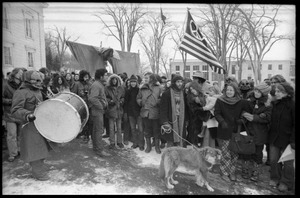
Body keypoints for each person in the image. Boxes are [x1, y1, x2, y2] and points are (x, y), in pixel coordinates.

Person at [11, 70, 57, 181]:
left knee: (42, 147)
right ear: (28, 80)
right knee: (35, 149)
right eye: (36, 80)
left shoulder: (38, 91)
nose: (39, 82)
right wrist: (27, 114)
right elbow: (15, 110)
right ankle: (38, 172)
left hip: (40, 124)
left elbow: (39, 104)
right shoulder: (21, 92)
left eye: (40, 80)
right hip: (29, 125)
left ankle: (39, 168)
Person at [214, 82, 251, 182]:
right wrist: (222, 122)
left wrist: (243, 119)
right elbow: (216, 113)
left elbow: (247, 112)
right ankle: (224, 172)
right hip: (224, 130)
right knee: (226, 153)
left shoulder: (241, 102)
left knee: (235, 153)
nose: (229, 92)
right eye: (227, 90)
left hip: (236, 131)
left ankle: (232, 172)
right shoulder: (220, 100)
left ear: (235, 91)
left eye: (231, 90)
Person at [240, 82, 272, 181]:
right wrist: (245, 114)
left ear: (264, 93)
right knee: (246, 151)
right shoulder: (249, 101)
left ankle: (256, 170)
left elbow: (268, 117)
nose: (256, 93)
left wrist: (254, 118)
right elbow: (242, 110)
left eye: (259, 91)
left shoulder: (268, 104)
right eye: (256, 90)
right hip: (248, 131)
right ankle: (245, 169)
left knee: (258, 153)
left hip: (260, 132)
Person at [268, 82, 295, 192]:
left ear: (287, 93)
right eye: (276, 91)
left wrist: (293, 140)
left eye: (280, 91)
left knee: (288, 163)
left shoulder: (293, 105)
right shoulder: (275, 104)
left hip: (288, 139)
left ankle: (286, 182)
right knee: (274, 160)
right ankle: (275, 178)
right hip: (274, 137)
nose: (277, 93)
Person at [137, 73, 163, 154]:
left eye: (147, 77)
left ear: (152, 78)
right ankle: (148, 146)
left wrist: (157, 102)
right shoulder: (142, 88)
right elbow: (138, 98)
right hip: (145, 112)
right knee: (147, 130)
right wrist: (141, 102)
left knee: (156, 130)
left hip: (155, 112)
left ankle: (157, 147)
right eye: (144, 78)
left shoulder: (159, 87)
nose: (145, 79)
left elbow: (162, 98)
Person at [88, 68, 111, 157]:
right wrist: (101, 106)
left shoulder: (99, 84)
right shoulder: (97, 85)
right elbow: (92, 98)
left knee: (96, 129)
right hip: (97, 111)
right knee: (98, 130)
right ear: (101, 76)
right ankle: (99, 150)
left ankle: (96, 147)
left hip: (97, 110)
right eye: (105, 75)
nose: (107, 76)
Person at [2, 68, 24, 162]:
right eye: (20, 74)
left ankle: (19, 150)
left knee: (20, 134)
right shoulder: (5, 85)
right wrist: (11, 101)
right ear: (14, 75)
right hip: (9, 114)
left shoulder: (22, 85)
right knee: (11, 134)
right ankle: (12, 153)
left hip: (19, 113)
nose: (21, 75)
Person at [160, 74, 187, 148]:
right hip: (171, 120)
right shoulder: (166, 94)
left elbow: (187, 109)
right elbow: (163, 110)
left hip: (181, 120)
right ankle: (169, 156)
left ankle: (180, 155)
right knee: (171, 141)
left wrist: (187, 120)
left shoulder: (184, 93)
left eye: (181, 82)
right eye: (178, 82)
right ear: (174, 83)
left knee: (181, 138)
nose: (180, 84)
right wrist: (165, 122)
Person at [105, 74, 125, 149]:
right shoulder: (107, 88)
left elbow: (123, 97)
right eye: (113, 79)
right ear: (110, 80)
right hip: (111, 110)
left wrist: (121, 101)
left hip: (119, 110)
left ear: (118, 80)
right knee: (111, 128)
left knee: (119, 128)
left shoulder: (121, 88)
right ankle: (112, 142)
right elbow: (105, 97)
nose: (114, 81)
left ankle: (119, 142)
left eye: (115, 79)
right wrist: (110, 101)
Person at [124, 74, 144, 150]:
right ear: (130, 82)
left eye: (134, 82)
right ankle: (135, 143)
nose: (133, 83)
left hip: (139, 113)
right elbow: (126, 103)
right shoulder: (128, 91)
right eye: (131, 82)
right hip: (130, 113)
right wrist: (126, 113)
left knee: (140, 129)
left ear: (136, 82)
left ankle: (141, 144)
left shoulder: (139, 90)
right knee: (133, 129)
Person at [185, 81, 207, 148]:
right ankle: (194, 144)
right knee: (194, 132)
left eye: (193, 89)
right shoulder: (190, 97)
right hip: (194, 118)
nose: (192, 91)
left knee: (200, 132)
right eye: (191, 89)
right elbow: (193, 108)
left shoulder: (202, 95)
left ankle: (198, 143)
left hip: (201, 118)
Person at [73, 70, 92, 142]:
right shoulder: (77, 84)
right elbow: (74, 94)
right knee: (79, 119)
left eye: (87, 76)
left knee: (87, 120)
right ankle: (78, 133)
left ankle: (86, 135)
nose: (86, 78)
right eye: (85, 76)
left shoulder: (90, 84)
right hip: (80, 105)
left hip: (88, 105)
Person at [202, 83, 222, 148]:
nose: (209, 92)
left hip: (212, 117)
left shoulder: (214, 98)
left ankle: (208, 146)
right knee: (211, 132)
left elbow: (210, 105)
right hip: (213, 118)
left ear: (215, 92)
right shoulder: (215, 98)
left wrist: (204, 108)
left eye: (211, 91)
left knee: (209, 133)